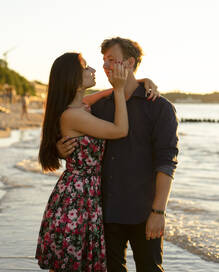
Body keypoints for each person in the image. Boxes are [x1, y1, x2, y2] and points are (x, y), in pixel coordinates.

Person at [58, 37, 179, 272]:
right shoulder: (99, 107)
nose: (105, 67)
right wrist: (58, 147)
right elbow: (66, 118)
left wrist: (158, 211)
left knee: (150, 268)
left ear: (130, 63)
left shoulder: (160, 107)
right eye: (104, 61)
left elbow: (167, 162)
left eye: (112, 60)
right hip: (104, 211)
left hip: (143, 210)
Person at [35, 52, 129, 272]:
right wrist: (119, 89)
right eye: (86, 68)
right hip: (76, 199)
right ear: (73, 79)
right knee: (70, 265)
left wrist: (143, 82)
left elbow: (91, 99)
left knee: (76, 264)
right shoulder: (73, 116)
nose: (93, 71)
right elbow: (120, 130)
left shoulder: (81, 107)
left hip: (82, 195)